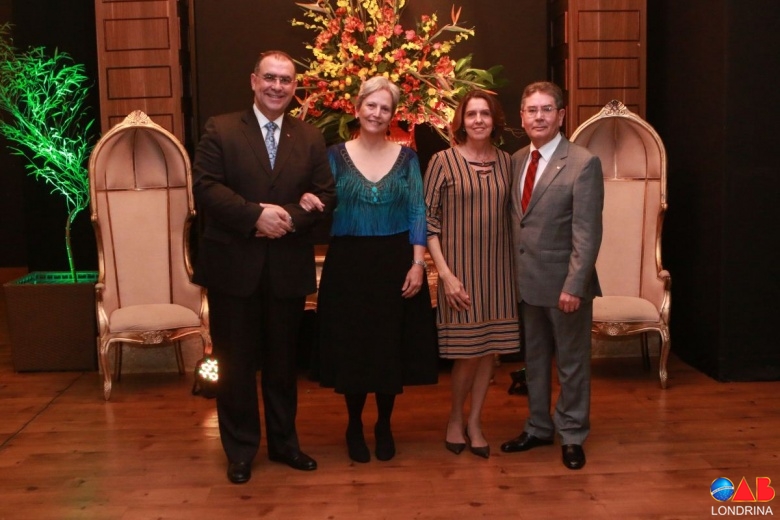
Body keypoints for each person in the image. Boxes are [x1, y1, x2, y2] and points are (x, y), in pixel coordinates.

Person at [192, 50, 336, 484]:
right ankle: (240, 450)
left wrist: (289, 216)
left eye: (285, 80)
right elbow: (206, 188)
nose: (277, 86)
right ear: (254, 81)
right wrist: (256, 215)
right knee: (235, 366)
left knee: (283, 365)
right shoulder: (221, 128)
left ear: (295, 88)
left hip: (286, 268)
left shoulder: (309, 136)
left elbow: (325, 195)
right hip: (233, 269)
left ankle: (284, 444)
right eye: (270, 78)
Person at [315, 76, 438, 463]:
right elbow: (319, 202)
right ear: (357, 108)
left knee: (388, 347)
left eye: (385, 108)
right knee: (353, 347)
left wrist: (418, 263)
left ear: (392, 115)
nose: (377, 113)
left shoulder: (407, 159)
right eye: (371, 105)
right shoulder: (333, 156)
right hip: (348, 263)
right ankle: (354, 424)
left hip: (394, 262)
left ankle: (384, 424)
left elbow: (417, 210)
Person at [500, 81, 603, 470]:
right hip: (526, 284)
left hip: (565, 288)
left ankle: (573, 434)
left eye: (546, 109)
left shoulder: (583, 163)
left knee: (572, 364)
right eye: (532, 110)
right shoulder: (514, 161)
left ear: (561, 115)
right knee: (535, 360)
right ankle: (539, 427)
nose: (539, 116)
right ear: (522, 117)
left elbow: (587, 233)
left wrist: (575, 285)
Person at [423, 90, 521, 459]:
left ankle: (476, 422)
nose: (478, 120)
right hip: (459, 273)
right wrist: (445, 275)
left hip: (499, 273)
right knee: (466, 354)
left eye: (485, 114)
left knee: (489, 354)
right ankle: (454, 419)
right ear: (461, 121)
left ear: (495, 120)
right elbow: (428, 223)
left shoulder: (507, 162)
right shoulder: (442, 161)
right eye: (471, 114)